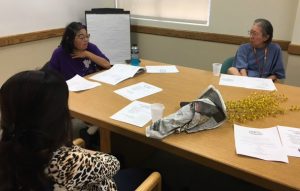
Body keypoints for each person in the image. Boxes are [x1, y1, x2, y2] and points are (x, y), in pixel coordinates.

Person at [0, 69, 120, 190]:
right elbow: (113, 163)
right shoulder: (66, 161)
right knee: (136, 173)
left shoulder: (10, 148)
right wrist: (86, 152)